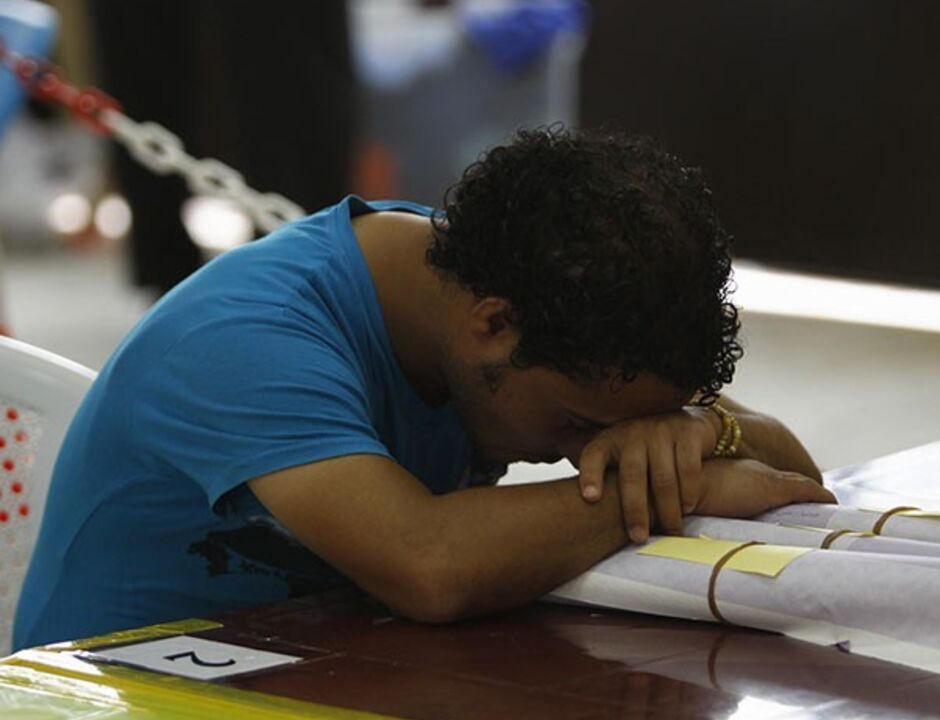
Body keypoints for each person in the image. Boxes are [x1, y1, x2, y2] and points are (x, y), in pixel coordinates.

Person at [14, 127, 833, 648]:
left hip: (330, 664)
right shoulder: (245, 338)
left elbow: (796, 477)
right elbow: (429, 566)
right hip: (116, 694)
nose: (595, 450)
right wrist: (686, 493)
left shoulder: (491, 277)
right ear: (494, 323)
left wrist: (696, 433)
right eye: (577, 422)